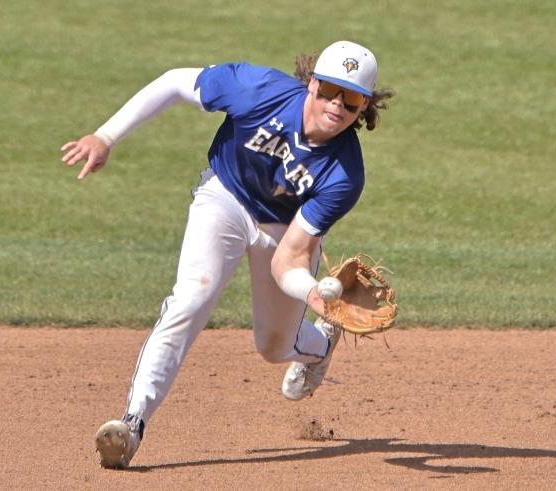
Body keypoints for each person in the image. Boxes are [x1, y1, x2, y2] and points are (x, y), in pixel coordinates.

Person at [61, 40, 393, 469]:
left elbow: (287, 259)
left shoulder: (344, 175)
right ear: (313, 84)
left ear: (363, 105)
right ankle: (132, 424)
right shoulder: (258, 90)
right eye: (330, 89)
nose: (337, 104)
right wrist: (105, 136)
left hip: (282, 229)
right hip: (225, 198)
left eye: (351, 99)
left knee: (274, 348)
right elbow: (175, 83)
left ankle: (320, 343)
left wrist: (313, 293)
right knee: (191, 299)